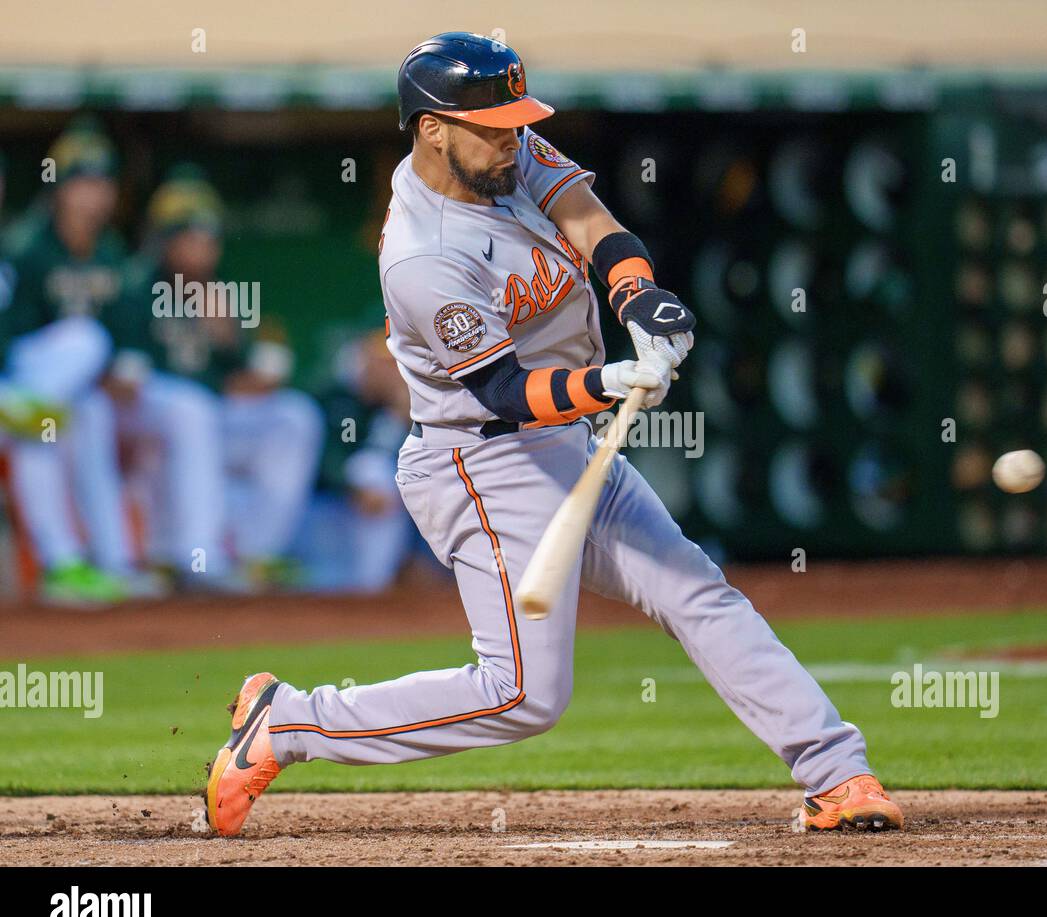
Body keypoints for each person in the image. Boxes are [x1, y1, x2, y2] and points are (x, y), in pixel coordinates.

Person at [205, 32, 903, 837]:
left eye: (515, 121)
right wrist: (605, 383)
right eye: (493, 125)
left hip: (565, 445)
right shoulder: (421, 257)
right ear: (432, 129)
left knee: (695, 591)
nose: (513, 136)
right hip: (483, 460)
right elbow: (503, 392)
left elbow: (588, 218)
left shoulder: (501, 152)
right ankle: (289, 723)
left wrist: (640, 298)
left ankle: (837, 774)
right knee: (523, 696)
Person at [106, 165, 324, 592]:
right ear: (164, 240)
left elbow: (241, 373)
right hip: (148, 419)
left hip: (207, 418)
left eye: (208, 237)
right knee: (192, 408)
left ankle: (255, 553)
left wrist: (234, 351)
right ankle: (197, 557)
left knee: (295, 417)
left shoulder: (219, 292)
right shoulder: (136, 287)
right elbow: (126, 379)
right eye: (190, 236)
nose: (202, 248)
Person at [0, 118, 141, 605]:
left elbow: (128, 334)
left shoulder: (109, 250)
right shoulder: (26, 245)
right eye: (82, 183)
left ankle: (102, 563)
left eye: (101, 183)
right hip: (14, 380)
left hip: (43, 399)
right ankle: (62, 563)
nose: (93, 195)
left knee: (66, 423)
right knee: (83, 339)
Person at [295, 329, 424, 593]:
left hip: (363, 519)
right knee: (372, 472)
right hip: (319, 510)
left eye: (394, 365)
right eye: (383, 364)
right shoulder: (337, 399)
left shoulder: (395, 408)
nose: (391, 373)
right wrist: (352, 488)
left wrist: (401, 418)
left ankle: (377, 586)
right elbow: (323, 461)